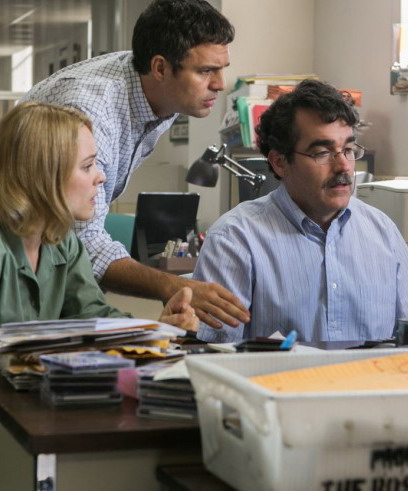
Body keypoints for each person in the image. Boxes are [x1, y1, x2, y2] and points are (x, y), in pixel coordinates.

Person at [20, 0, 250, 330]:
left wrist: (155, 329)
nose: (220, 84)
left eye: (221, 68)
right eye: (205, 71)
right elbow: (85, 241)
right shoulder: (92, 109)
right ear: (160, 68)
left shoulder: (160, 95)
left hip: (53, 256)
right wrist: (170, 286)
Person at [193, 79, 408, 343]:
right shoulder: (234, 239)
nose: (343, 166)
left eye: (349, 150)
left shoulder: (384, 233)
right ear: (280, 162)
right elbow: (215, 355)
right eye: (322, 152)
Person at [0, 101, 197, 331]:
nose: (101, 177)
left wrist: (158, 329)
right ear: (43, 174)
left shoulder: (64, 243)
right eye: (87, 166)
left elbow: (93, 316)